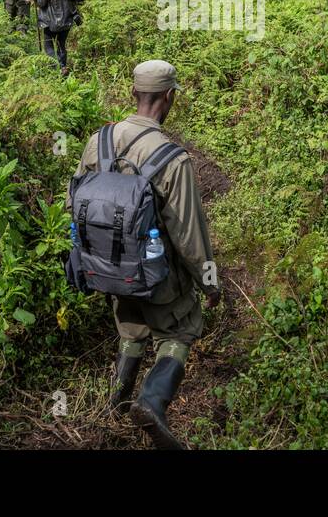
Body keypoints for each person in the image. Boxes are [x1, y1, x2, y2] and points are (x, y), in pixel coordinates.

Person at [66, 61, 219, 449]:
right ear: (168, 98)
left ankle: (116, 402)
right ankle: (151, 403)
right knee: (180, 329)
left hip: (107, 271)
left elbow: (73, 202)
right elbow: (190, 235)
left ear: (133, 93)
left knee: (131, 328)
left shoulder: (97, 141)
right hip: (156, 276)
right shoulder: (173, 159)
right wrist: (210, 281)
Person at [36, 0, 87, 73]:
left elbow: (41, 3)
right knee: (61, 45)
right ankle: (63, 67)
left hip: (48, 22)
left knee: (48, 47)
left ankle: (57, 68)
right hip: (66, 20)